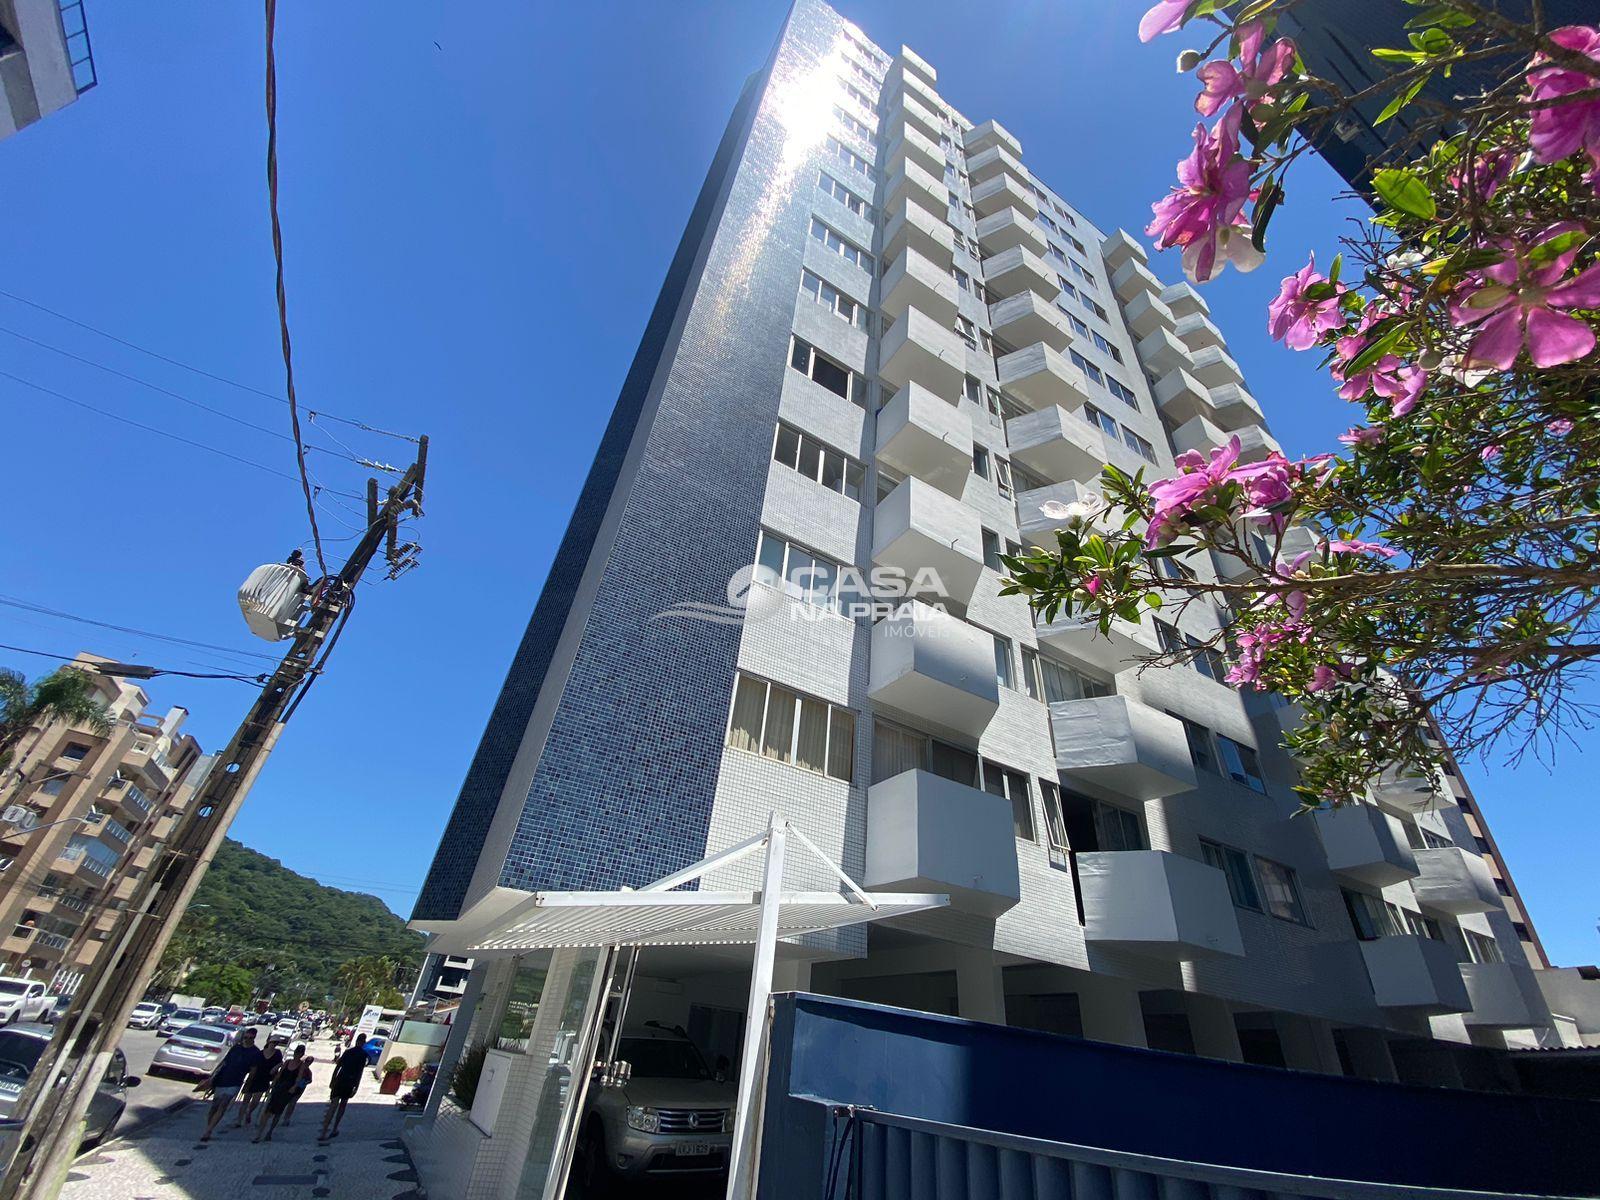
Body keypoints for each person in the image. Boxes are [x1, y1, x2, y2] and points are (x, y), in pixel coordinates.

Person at [197, 1027, 264, 1142]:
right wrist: (212, 1077)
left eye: (250, 1038)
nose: (247, 1039)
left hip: (235, 1082)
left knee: (223, 1105)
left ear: (254, 1038)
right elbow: (223, 1062)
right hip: (222, 1079)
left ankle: (208, 1131)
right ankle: (209, 1127)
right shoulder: (236, 1048)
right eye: (246, 1037)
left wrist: (247, 1085)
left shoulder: (255, 1052)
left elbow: (253, 1070)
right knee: (214, 1107)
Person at [254, 1045, 309, 1143]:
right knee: (267, 1111)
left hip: (287, 1090)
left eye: (299, 1053)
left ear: (302, 1055)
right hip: (279, 1087)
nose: (297, 1055)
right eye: (296, 1052)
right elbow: (279, 1074)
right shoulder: (287, 1062)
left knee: (278, 1112)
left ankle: (270, 1131)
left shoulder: (302, 1065)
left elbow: (299, 1077)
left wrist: (294, 1087)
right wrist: (273, 1084)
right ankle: (259, 1133)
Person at [320, 1036, 368, 1140]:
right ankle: (334, 1128)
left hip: (340, 1079)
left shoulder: (348, 1052)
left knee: (333, 1105)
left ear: (357, 1041)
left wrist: (333, 1079)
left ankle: (324, 1131)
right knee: (342, 1106)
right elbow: (360, 1072)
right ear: (363, 1042)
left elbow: (338, 1066)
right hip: (350, 1082)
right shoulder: (363, 1055)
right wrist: (356, 1086)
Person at [236, 1040, 283, 1128]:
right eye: (272, 1042)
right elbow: (252, 1065)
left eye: (275, 1043)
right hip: (254, 1077)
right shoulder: (260, 1053)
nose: (273, 1044)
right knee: (246, 1100)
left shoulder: (277, 1053)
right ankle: (239, 1120)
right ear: (268, 1042)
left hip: (265, 1079)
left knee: (256, 1101)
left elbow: (280, 1063)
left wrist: (275, 1069)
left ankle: (249, 1112)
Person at [282, 1052, 314, 1125]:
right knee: (291, 1103)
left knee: (290, 1102)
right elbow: (309, 1080)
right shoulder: (307, 1070)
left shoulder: (303, 1069)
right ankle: (286, 1118)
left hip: (296, 1087)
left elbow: (309, 1080)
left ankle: (286, 1118)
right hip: (298, 1087)